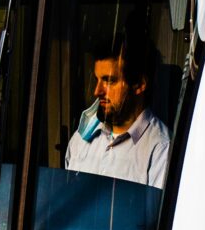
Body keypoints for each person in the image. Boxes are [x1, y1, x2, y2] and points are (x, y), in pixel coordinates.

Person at [64, 34, 171, 188]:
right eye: (97, 80)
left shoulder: (161, 149)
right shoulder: (81, 139)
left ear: (139, 84)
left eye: (109, 81)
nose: (97, 91)